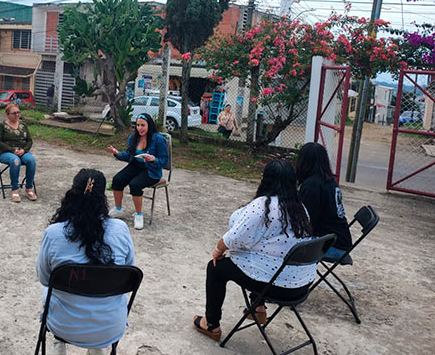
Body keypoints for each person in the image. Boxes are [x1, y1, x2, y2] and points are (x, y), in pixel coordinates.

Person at [192, 160, 314, 342]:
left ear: (266, 180)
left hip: (277, 285)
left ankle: (212, 325)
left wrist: (218, 249)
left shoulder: (262, 207)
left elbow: (233, 239)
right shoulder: (300, 209)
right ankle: (258, 309)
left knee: (215, 268)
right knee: (263, 255)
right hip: (301, 285)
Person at [36, 168, 135, 355]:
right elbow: (128, 273)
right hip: (110, 328)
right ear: (103, 199)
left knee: (50, 289)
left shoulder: (54, 233)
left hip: (63, 326)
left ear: (71, 195)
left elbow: (44, 278)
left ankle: (59, 345)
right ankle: (98, 348)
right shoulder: (121, 229)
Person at [106, 113, 169, 230]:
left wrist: (153, 159)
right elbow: (128, 156)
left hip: (151, 170)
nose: (140, 128)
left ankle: (139, 215)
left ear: (149, 125)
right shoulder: (133, 138)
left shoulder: (159, 139)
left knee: (135, 185)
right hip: (135, 166)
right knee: (117, 179)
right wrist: (117, 153)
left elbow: (164, 161)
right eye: (138, 125)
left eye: (143, 125)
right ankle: (118, 210)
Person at [296, 142, 353, 260]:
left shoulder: (312, 186)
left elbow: (306, 221)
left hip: (331, 246)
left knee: (283, 245)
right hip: (340, 241)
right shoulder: (328, 181)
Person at [0, 103, 37, 203]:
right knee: (15, 160)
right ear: (7, 114)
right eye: (14, 113)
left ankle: (29, 188)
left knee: (31, 160)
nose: (17, 115)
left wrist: (24, 150)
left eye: (18, 112)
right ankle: (14, 189)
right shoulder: (2, 126)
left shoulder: (23, 125)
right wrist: (12, 150)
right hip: (6, 152)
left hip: (22, 151)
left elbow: (29, 140)